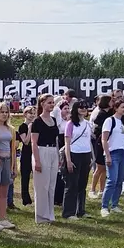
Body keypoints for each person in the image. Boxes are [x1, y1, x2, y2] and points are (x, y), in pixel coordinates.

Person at [30, 93, 60, 224]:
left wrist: (58, 156)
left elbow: (56, 139)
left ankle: (50, 214)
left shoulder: (53, 120)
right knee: (42, 186)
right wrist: (37, 161)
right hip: (42, 151)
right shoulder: (37, 121)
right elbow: (33, 142)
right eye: (49, 102)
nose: (52, 105)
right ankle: (41, 216)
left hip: (53, 151)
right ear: (42, 104)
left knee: (51, 185)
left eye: (53, 102)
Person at [100, 100, 124, 216]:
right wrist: (107, 155)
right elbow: (104, 139)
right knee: (112, 180)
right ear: (116, 108)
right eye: (122, 107)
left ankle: (114, 205)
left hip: (123, 153)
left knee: (119, 180)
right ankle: (104, 207)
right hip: (113, 153)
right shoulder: (110, 121)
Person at [61, 100, 93, 219]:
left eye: (85, 107)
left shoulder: (88, 124)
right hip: (74, 154)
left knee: (82, 185)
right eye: (81, 107)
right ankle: (68, 212)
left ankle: (81, 210)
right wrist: (68, 160)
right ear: (76, 109)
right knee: (71, 185)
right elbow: (67, 143)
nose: (84, 109)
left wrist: (92, 157)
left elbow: (88, 141)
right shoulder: (70, 124)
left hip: (86, 154)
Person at [89, 94, 111, 198]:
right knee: (99, 167)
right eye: (111, 101)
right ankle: (92, 189)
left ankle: (102, 190)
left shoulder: (109, 113)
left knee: (105, 168)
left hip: (107, 142)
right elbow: (96, 128)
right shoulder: (101, 114)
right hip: (100, 142)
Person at [16, 106, 35, 206]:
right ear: (25, 114)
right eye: (30, 113)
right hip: (26, 154)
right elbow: (26, 141)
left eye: (33, 113)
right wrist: (29, 129)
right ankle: (25, 199)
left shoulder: (36, 125)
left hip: (35, 152)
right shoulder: (22, 127)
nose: (32, 115)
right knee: (25, 177)